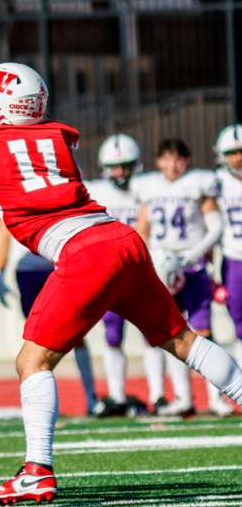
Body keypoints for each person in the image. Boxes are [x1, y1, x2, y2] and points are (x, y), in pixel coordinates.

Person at [0, 62, 242, 505]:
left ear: (2, 105)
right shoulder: (55, 139)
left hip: (85, 253)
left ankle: (37, 471)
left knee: (32, 361)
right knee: (183, 340)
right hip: (122, 239)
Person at [133, 138, 233, 417]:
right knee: (170, 333)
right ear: (157, 161)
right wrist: (151, 259)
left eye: (178, 159)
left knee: (203, 332)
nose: (172, 165)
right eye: (166, 158)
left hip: (192, 265)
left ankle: (216, 398)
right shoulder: (149, 187)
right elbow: (143, 228)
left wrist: (192, 255)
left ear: (187, 161)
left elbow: (214, 227)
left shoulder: (199, 184)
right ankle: (182, 398)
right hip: (162, 267)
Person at [0, 223, 99, 415]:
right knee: (36, 339)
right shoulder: (12, 194)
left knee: (77, 334)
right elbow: (4, 230)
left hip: (57, 268)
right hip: (27, 272)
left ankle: (91, 397)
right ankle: (40, 402)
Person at [83, 134, 146, 416]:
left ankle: (158, 394)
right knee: (112, 336)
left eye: (125, 166)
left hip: (143, 270)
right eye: (114, 167)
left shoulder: (148, 189)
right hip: (110, 272)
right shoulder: (95, 191)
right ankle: (117, 394)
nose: (119, 172)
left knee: (154, 333)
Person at [215, 124, 242, 368]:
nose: (238, 157)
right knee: (240, 322)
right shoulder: (216, 182)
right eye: (233, 152)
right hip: (234, 258)